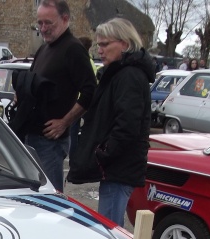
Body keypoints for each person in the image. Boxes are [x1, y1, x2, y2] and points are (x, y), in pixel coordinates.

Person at [67, 17, 154, 226]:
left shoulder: (129, 76)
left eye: (105, 44)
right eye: (98, 45)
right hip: (116, 167)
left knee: (110, 228)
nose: (100, 50)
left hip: (119, 167)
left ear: (124, 44)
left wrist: (103, 152)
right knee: (109, 224)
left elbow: (128, 124)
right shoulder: (120, 74)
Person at [20, 0, 95, 192]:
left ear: (65, 19)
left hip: (50, 142)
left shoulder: (73, 49)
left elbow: (90, 91)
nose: (43, 29)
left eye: (48, 23)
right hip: (32, 135)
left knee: (50, 198)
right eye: (40, 23)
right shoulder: (44, 48)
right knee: (33, 196)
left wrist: (64, 122)